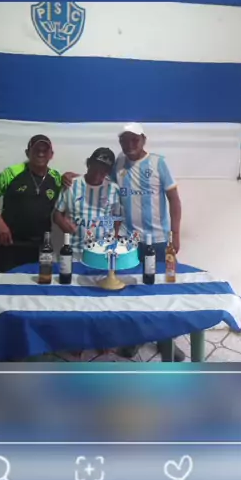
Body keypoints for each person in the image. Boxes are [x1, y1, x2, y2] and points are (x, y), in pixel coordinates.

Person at [112, 123, 185, 362]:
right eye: (124, 140)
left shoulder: (158, 163)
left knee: (163, 290)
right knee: (131, 290)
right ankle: (134, 338)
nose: (129, 145)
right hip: (129, 241)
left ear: (144, 140)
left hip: (160, 240)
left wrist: (175, 234)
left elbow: (174, 199)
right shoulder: (118, 164)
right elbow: (105, 189)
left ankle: (166, 341)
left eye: (134, 139)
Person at [0, 134, 69, 282]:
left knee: (36, 291)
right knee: (4, 288)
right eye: (36, 150)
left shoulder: (56, 178)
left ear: (51, 154)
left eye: (45, 150)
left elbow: (67, 199)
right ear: (27, 152)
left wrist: (70, 177)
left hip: (41, 249)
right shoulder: (11, 173)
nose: (40, 153)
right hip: (10, 245)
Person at [53, 148, 121, 258]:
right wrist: (64, 225)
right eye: (95, 168)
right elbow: (57, 214)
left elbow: (117, 219)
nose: (97, 174)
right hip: (74, 253)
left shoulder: (113, 189)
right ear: (88, 163)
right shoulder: (71, 185)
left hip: (102, 254)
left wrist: (115, 239)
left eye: (103, 171)